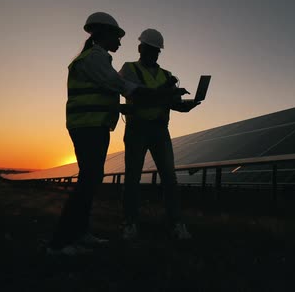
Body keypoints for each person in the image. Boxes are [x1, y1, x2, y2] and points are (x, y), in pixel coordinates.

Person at [47, 13, 179, 256]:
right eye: (117, 36)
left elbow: (114, 95)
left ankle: (80, 233)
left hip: (96, 125)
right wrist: (163, 94)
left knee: (92, 179)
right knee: (88, 181)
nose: (120, 41)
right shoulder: (94, 60)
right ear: (102, 34)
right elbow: (124, 88)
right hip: (88, 126)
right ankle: (61, 243)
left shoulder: (99, 60)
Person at [119, 28, 199, 241]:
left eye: (156, 51)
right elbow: (139, 95)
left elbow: (172, 103)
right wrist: (167, 92)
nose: (153, 53)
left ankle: (176, 223)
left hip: (160, 130)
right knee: (133, 177)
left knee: (169, 177)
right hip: (137, 129)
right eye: (149, 49)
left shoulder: (167, 75)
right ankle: (130, 223)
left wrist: (185, 106)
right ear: (140, 48)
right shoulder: (129, 69)